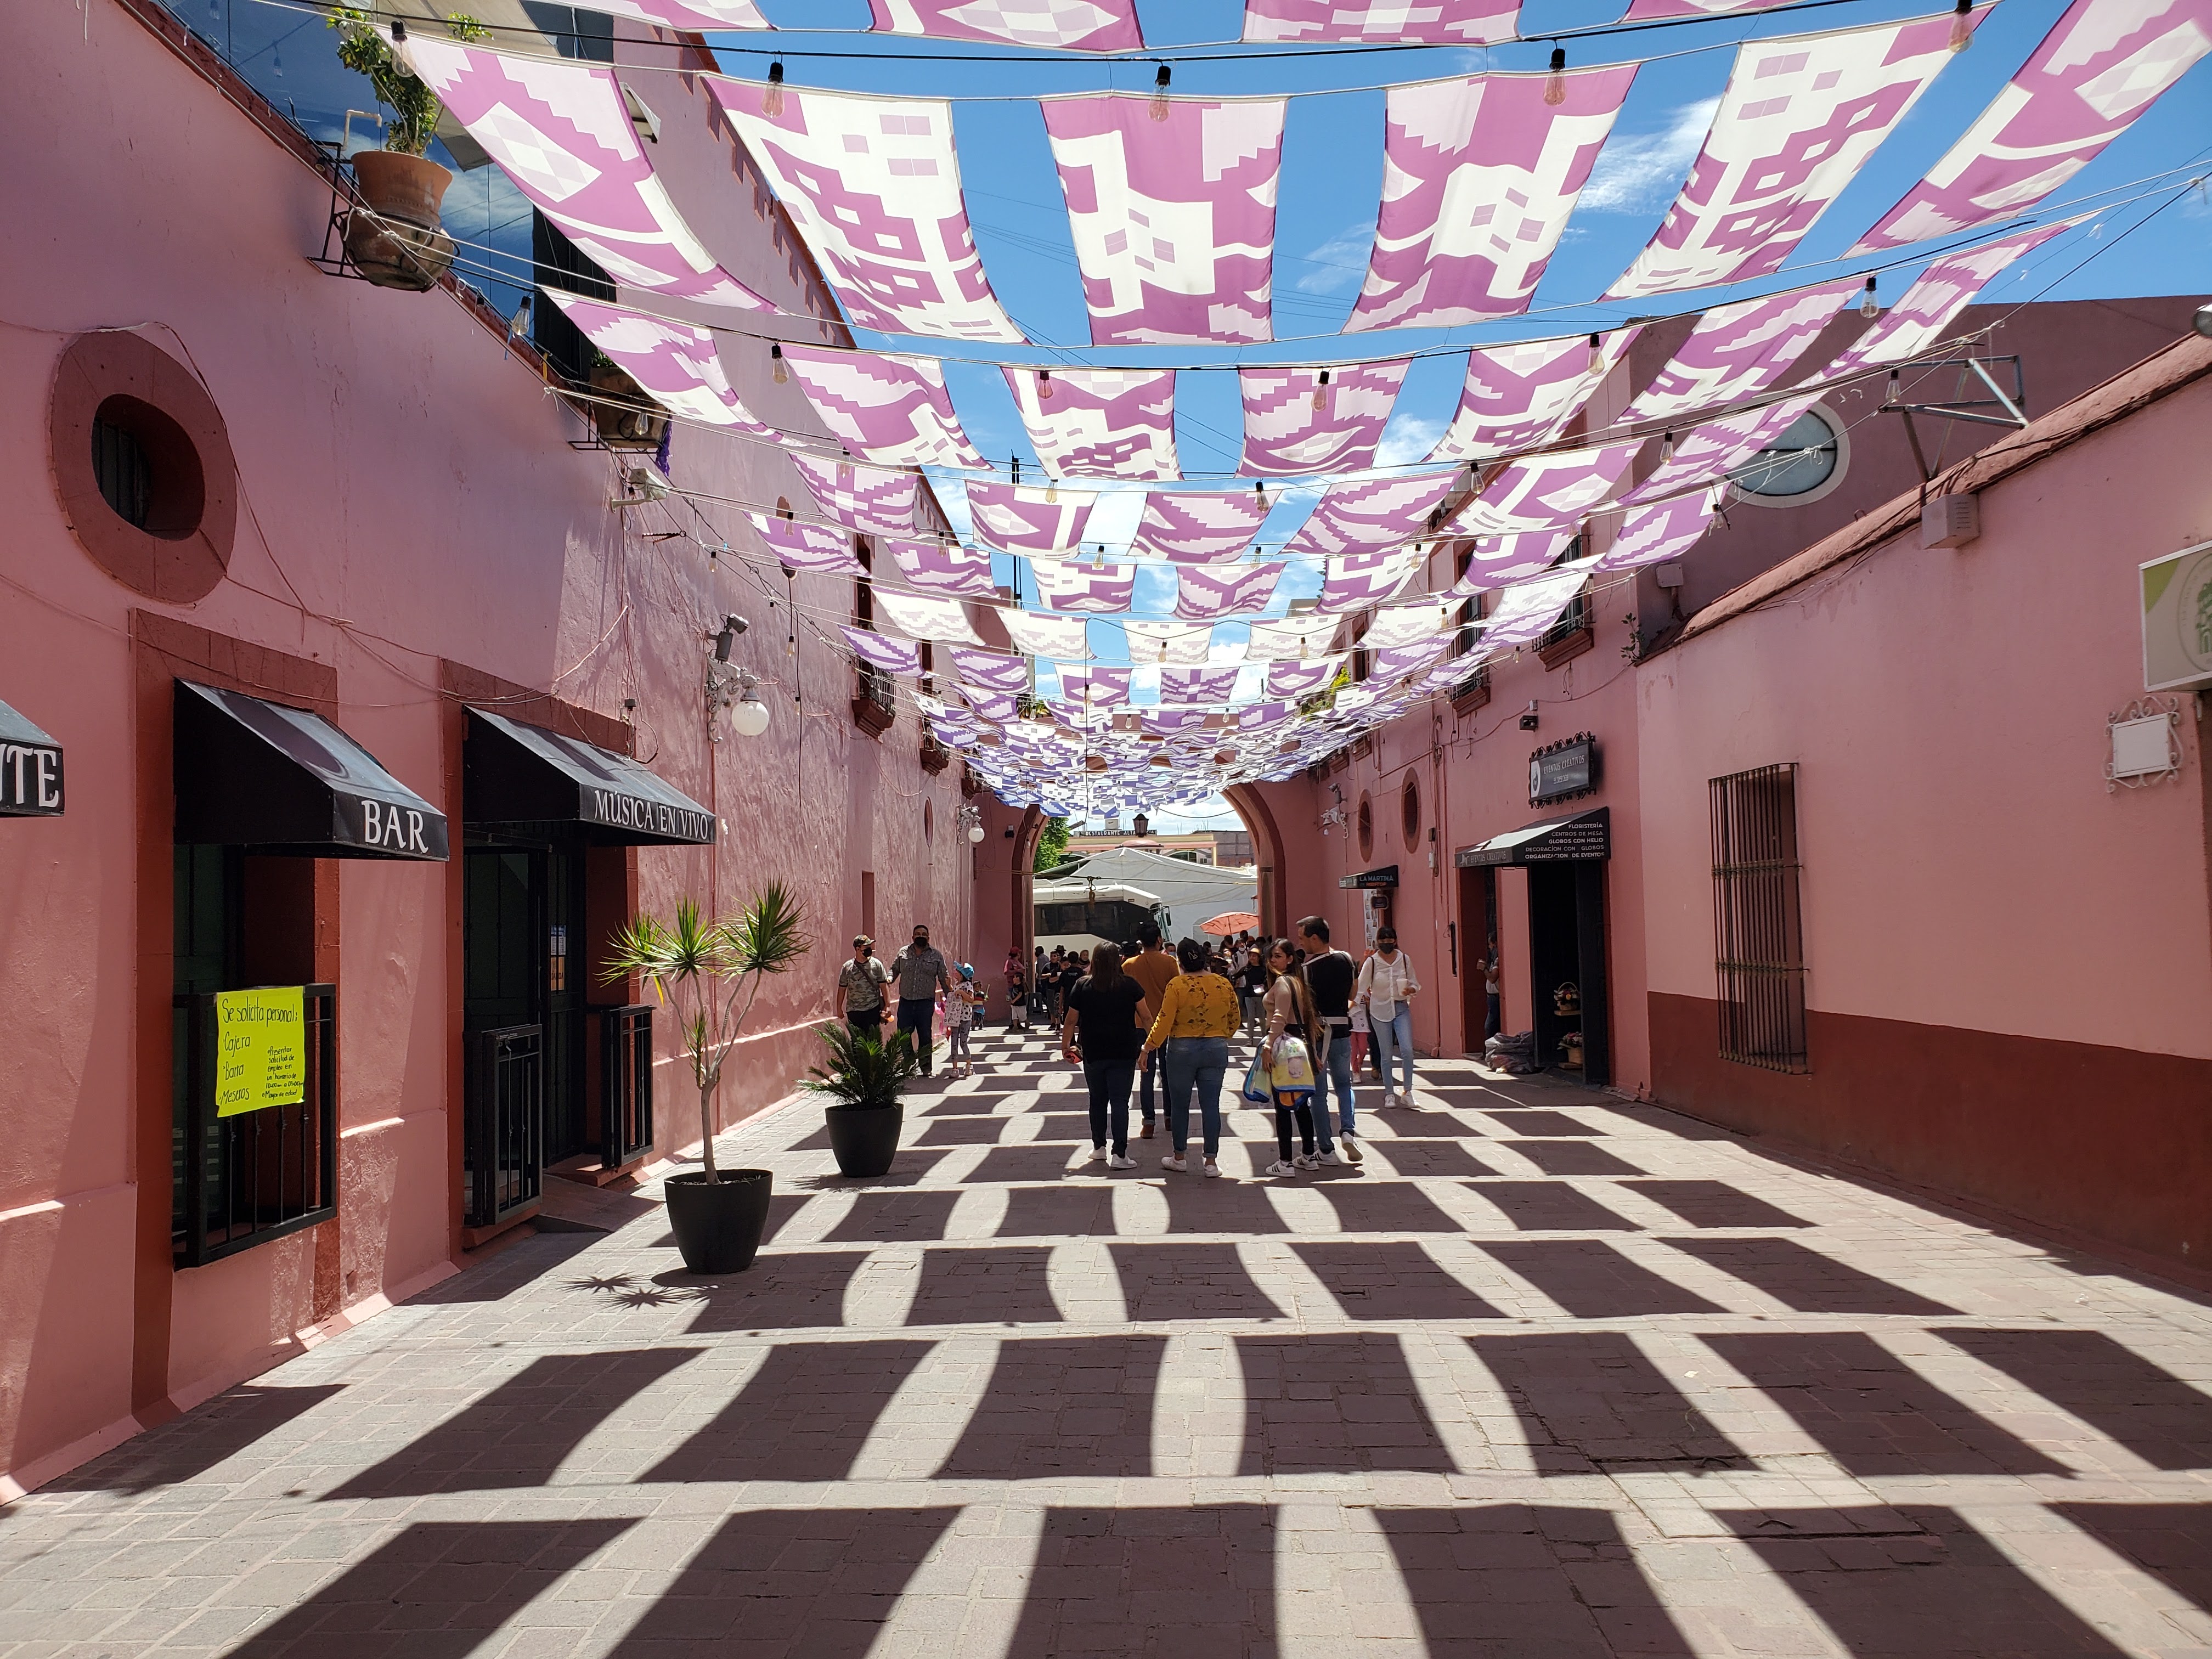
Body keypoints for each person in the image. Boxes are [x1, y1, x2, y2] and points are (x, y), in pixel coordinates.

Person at [1141, 938, 1240, 1177]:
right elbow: (1234, 1018)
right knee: (1211, 1106)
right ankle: (1211, 1162)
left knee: (1180, 1105)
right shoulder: (1222, 983)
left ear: (1180, 961)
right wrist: (1220, 1035)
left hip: (1181, 1049)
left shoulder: (1177, 985)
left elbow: (1164, 1021)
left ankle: (1180, 1157)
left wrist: (1148, 1047)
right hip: (1215, 1047)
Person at [1061, 944, 1149, 1170]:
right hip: (1124, 1051)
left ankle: (1099, 1147)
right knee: (1120, 1102)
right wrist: (1151, 1045)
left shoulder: (1083, 985)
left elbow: (1070, 1020)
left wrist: (1066, 1046)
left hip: (1093, 1051)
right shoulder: (1129, 985)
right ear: (1117, 960)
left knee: (1097, 1100)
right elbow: (1147, 1017)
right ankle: (1120, 1154)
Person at [1260, 939, 1339, 1173]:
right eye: (1271, 957)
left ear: (1290, 958)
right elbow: (1307, 1020)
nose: (1273, 961)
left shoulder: (1284, 983)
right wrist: (1312, 1052)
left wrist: (1267, 1046)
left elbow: (1279, 1018)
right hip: (1300, 1043)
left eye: (1278, 956)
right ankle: (1307, 1155)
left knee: (1284, 1102)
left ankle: (1285, 1161)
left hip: (1285, 1043)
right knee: (1300, 1102)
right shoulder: (1297, 982)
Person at [1295, 915, 1362, 1163]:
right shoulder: (1346, 960)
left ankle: (1326, 1149)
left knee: (1319, 1093)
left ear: (1315, 938)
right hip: (1343, 1031)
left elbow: (1304, 1008)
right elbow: (1353, 993)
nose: (1300, 943)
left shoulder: (1306, 971)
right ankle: (1348, 1131)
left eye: (1303, 939)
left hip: (1317, 1036)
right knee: (1345, 1086)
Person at [1122, 921, 1180, 1142]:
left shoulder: (1129, 965)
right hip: (1165, 1025)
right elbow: (1175, 992)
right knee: (1168, 1075)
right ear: (1159, 940)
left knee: (1146, 1074)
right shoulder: (1169, 962)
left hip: (1139, 1026)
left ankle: (1148, 1122)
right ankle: (1170, 1117)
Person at [1357, 925, 1421, 1105]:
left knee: (1407, 1050)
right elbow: (1361, 986)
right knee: (1386, 1054)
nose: (1387, 944)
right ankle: (1389, 1093)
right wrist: (1353, 1005)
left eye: (1390, 940)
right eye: (1383, 941)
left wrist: (1412, 989)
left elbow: (1416, 983)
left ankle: (1408, 1091)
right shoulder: (1373, 962)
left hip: (1401, 1007)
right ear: (1378, 942)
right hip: (1379, 1010)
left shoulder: (1404, 959)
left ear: (1395, 941)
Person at [891, 924, 953, 1075]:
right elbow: (894, 970)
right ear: (913, 937)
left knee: (925, 1034)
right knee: (903, 1034)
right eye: (918, 934)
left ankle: (926, 1068)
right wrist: (888, 978)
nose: (921, 936)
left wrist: (951, 998)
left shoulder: (936, 956)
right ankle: (909, 1061)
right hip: (906, 1001)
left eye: (924, 934)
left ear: (928, 938)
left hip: (925, 1003)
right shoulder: (903, 953)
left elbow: (944, 979)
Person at [834, 935, 891, 1042]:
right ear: (858, 949)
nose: (870, 949)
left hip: (873, 1009)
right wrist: (839, 1008)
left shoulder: (876, 965)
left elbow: (884, 986)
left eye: (870, 946)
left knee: (873, 1041)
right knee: (857, 1041)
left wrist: (888, 1006)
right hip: (854, 1010)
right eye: (866, 947)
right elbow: (842, 988)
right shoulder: (847, 967)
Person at [946, 964, 982, 1077]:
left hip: (965, 1018)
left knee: (963, 1042)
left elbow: (971, 999)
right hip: (955, 1018)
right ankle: (955, 1068)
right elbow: (955, 994)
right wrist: (950, 986)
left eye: (958, 971)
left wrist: (962, 993)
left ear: (963, 975)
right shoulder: (957, 985)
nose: (955, 972)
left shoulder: (968, 986)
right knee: (954, 1043)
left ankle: (968, 1065)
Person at [1482, 941, 1503, 1041]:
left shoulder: (1497, 960)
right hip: (1491, 997)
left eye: (1490, 945)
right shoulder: (1494, 961)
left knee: (1490, 1026)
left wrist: (1484, 969)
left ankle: (1490, 1050)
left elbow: (1492, 978)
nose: (1489, 948)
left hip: (1495, 997)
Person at [1005, 951, 1029, 1032]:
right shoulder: (1010, 962)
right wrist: (1018, 971)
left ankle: (1021, 1023)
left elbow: (1020, 993)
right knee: (1014, 1011)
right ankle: (1014, 1025)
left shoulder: (1017, 962)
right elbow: (1007, 972)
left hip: (1018, 989)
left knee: (1021, 1013)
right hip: (1012, 986)